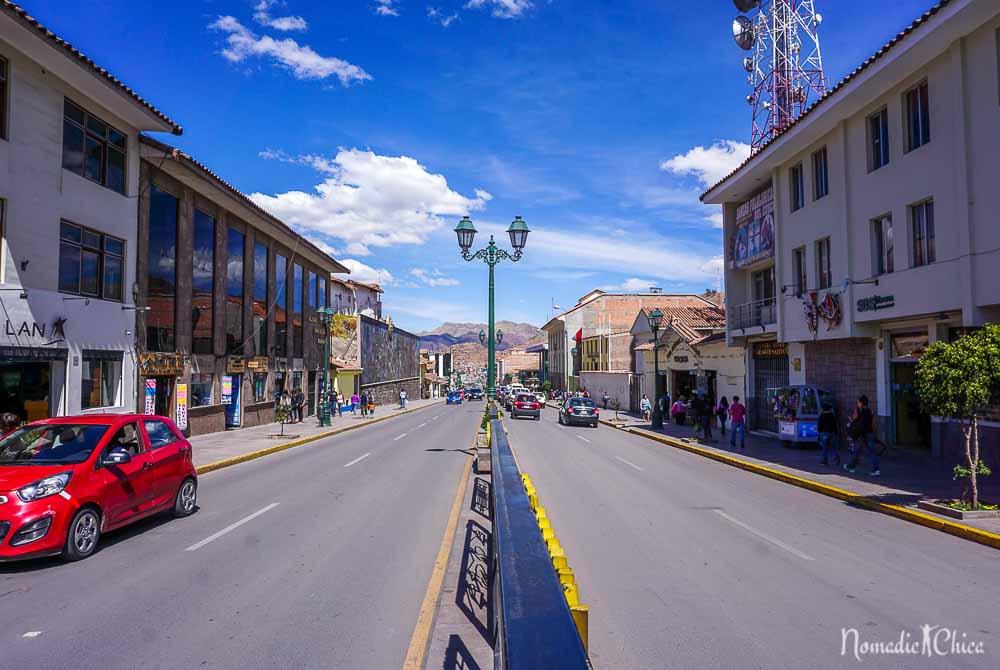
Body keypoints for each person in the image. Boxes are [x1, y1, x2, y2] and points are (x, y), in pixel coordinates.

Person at [844, 395, 879, 476]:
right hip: (869, 433)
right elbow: (873, 424)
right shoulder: (871, 411)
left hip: (861, 434)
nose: (858, 403)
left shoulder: (858, 410)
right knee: (872, 452)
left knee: (857, 451)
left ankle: (851, 466)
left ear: (861, 403)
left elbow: (855, 421)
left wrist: (851, 420)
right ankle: (876, 469)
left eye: (858, 402)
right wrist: (874, 433)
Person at [818, 401, 839, 466]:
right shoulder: (832, 415)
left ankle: (824, 461)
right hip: (832, 433)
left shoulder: (822, 415)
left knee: (824, 448)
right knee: (833, 447)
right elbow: (835, 424)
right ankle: (835, 457)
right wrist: (836, 432)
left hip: (824, 433)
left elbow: (820, 425)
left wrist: (819, 432)